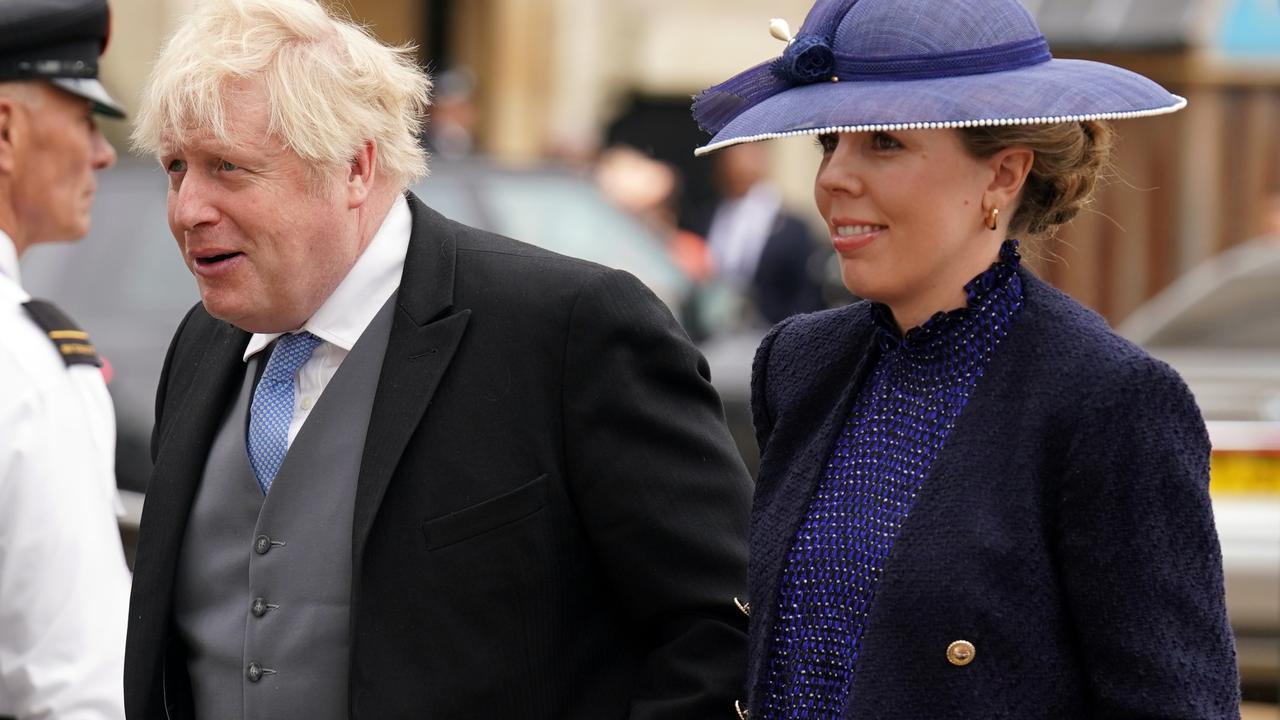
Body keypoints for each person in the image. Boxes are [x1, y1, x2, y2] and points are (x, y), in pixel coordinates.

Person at [124, 1, 752, 718]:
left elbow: (719, 630)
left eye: (227, 167)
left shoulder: (569, 330)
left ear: (355, 166)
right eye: (176, 167)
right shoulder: (202, 348)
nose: (186, 208)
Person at [691, 0, 1240, 717]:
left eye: (883, 142)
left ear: (1004, 176)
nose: (833, 179)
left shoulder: (1108, 399)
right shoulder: (799, 363)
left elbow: (1173, 703)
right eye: (831, 143)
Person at [0, 1, 131, 718]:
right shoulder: (26, 367)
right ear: (5, 130)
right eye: (85, 117)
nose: (103, 151)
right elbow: (77, 688)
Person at [692, 143, 827, 325]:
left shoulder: (791, 226)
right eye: (731, 156)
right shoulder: (708, 217)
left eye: (748, 155)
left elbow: (806, 292)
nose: (739, 165)